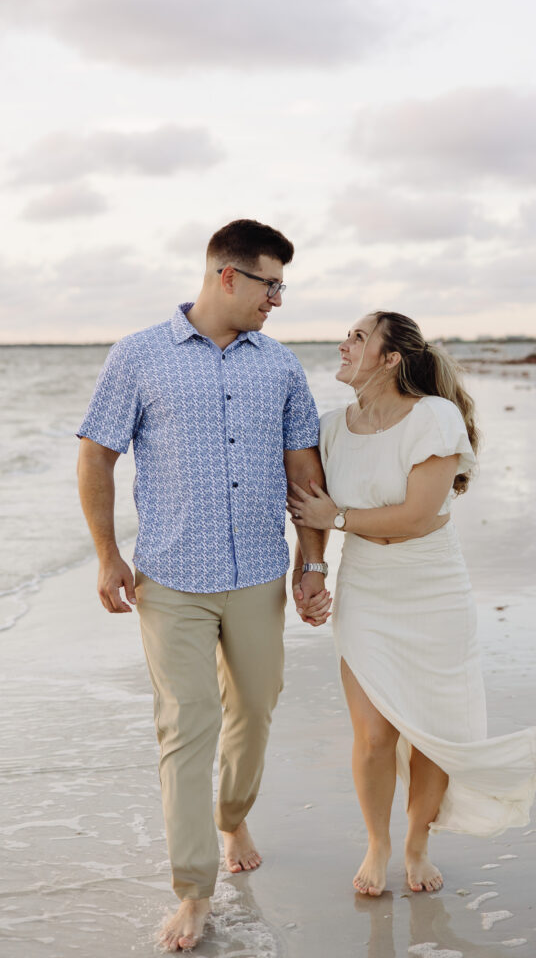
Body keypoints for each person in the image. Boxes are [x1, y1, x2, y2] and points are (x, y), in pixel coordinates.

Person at [76, 219, 331, 953]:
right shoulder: (138, 355)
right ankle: (192, 891)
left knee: (253, 709)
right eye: (269, 283)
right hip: (171, 578)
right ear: (227, 276)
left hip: (256, 572)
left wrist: (312, 566)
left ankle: (233, 814)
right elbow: (97, 458)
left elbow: (305, 475)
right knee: (186, 727)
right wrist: (106, 555)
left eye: (282, 285)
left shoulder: (280, 366)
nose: (277, 299)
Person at [288, 311, 536, 897]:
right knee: (373, 736)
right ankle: (378, 844)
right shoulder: (331, 427)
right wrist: (311, 569)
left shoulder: (434, 416)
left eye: (358, 337)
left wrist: (341, 517)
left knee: (430, 731)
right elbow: (311, 512)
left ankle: (416, 843)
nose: (343, 344)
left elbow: (417, 514)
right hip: (368, 589)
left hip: (432, 588)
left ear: (390, 358)